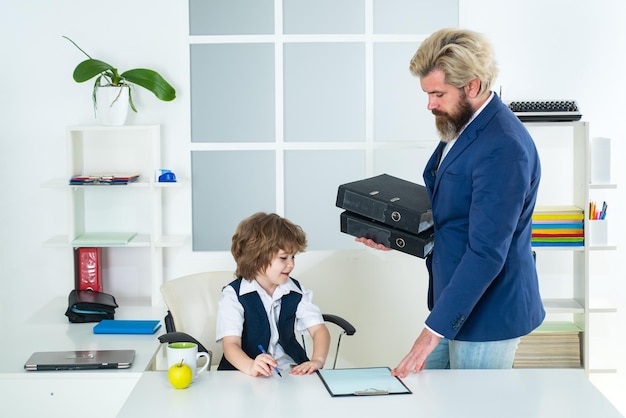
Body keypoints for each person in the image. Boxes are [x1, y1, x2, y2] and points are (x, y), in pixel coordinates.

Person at [357, 28, 545, 377]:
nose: (430, 104)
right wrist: (394, 235)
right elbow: (456, 213)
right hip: (453, 302)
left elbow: (487, 251)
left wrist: (429, 335)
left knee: (472, 408)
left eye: (438, 93)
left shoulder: (503, 146)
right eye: (427, 94)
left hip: (489, 314)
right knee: (429, 399)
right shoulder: (462, 124)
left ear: (471, 86)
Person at [216, 212, 330, 377]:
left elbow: (319, 330)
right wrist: (250, 366)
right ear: (256, 258)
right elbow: (231, 345)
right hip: (245, 373)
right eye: (283, 258)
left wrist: (317, 360)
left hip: (290, 371)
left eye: (293, 257)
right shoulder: (234, 296)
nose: (291, 264)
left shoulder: (296, 291)